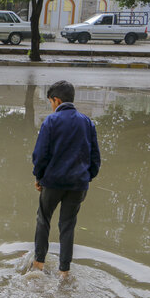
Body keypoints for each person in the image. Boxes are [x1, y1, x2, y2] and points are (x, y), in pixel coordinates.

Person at [31, 80, 101, 278]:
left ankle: (38, 264)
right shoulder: (87, 122)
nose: (51, 107)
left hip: (53, 182)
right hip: (78, 184)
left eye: (51, 102)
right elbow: (95, 158)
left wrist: (39, 177)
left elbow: (40, 155)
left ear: (56, 100)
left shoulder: (51, 122)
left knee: (43, 219)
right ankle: (64, 271)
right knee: (68, 225)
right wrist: (87, 178)